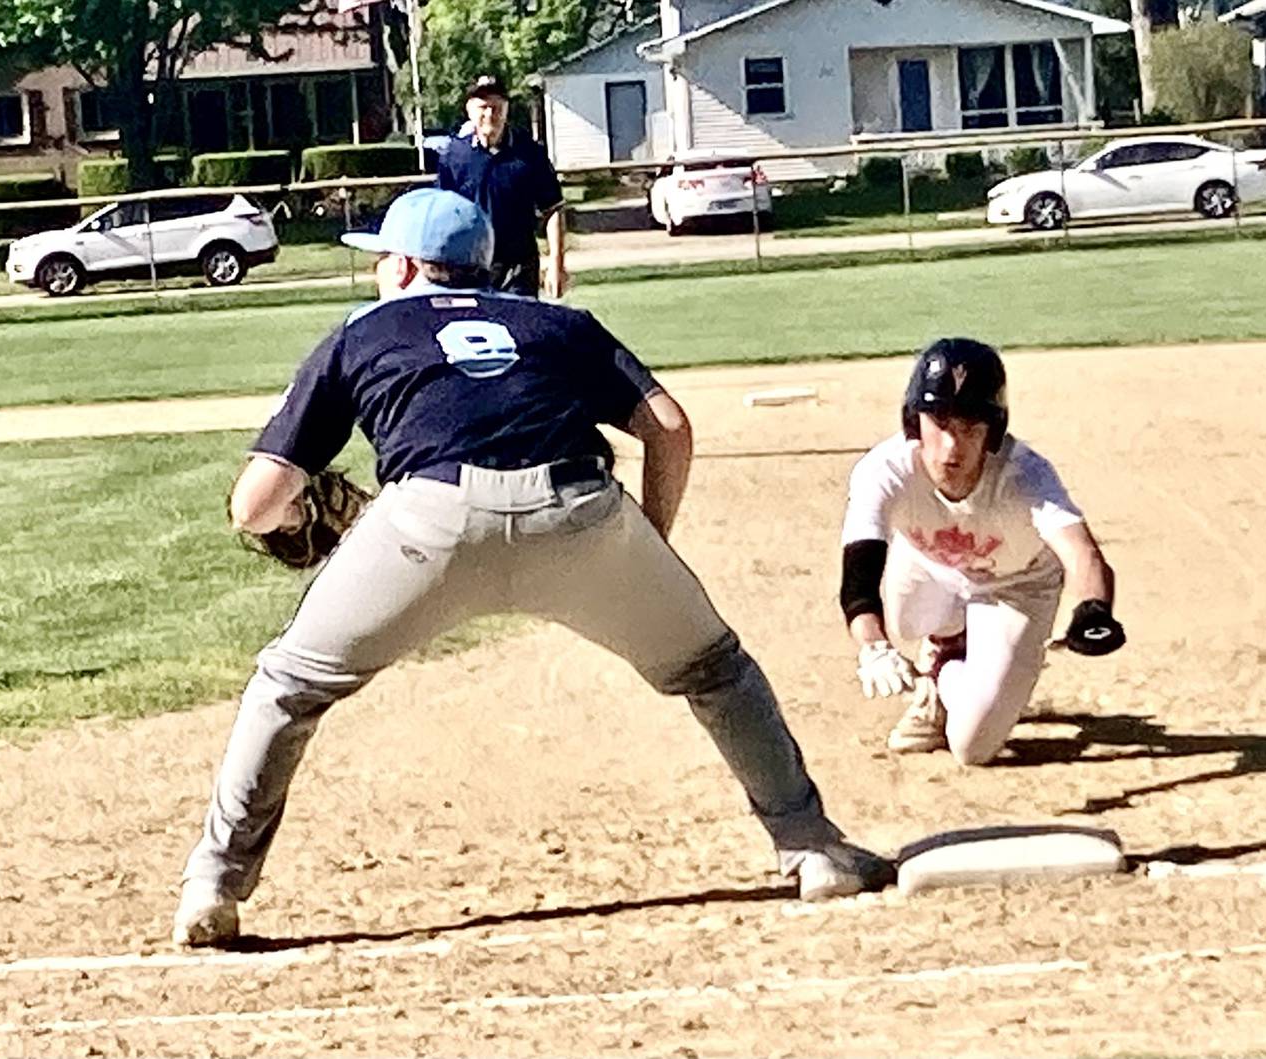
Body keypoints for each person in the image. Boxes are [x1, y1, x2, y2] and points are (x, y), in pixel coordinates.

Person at [172, 188, 888, 947]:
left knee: (289, 686)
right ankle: (811, 847)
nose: (380, 270)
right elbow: (670, 428)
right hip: (578, 512)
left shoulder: (364, 330)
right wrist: (644, 543)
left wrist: (321, 515)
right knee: (715, 671)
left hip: (425, 523)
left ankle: (212, 885)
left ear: (410, 266)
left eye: (383, 257)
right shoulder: (557, 320)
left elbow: (256, 504)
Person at [838, 338, 1126, 766]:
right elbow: (858, 579)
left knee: (972, 748)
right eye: (940, 422)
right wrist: (873, 646)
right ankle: (950, 641)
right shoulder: (883, 471)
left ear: (993, 430)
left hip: (1019, 584)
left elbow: (1081, 552)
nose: (953, 447)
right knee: (905, 621)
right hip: (929, 564)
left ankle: (943, 672)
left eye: (970, 427)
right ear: (914, 420)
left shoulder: (1025, 475)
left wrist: (1092, 610)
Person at [433, 74, 566, 299]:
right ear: (469, 110)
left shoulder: (530, 153)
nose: (490, 114)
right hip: (469, 268)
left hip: (518, 266)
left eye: (496, 107)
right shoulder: (454, 156)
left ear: (506, 109)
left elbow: (553, 208)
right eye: (483, 107)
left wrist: (556, 264)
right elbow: (443, 214)